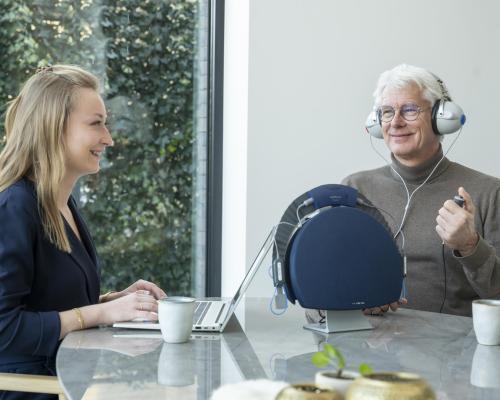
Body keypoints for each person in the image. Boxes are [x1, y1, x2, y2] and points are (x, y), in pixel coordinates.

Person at [0, 65, 167, 399]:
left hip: (66, 382)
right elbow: (4, 328)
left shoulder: (63, 203)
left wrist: (116, 302)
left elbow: (48, 301)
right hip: (29, 391)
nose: (108, 138)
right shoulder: (13, 208)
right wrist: (102, 313)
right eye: (96, 124)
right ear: (53, 129)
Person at [342, 64, 500, 317]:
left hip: (455, 353)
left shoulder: (489, 193)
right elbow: (327, 285)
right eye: (386, 112)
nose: (396, 122)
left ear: (441, 117)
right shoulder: (353, 189)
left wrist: (470, 246)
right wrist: (355, 299)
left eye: (410, 110)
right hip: (367, 349)